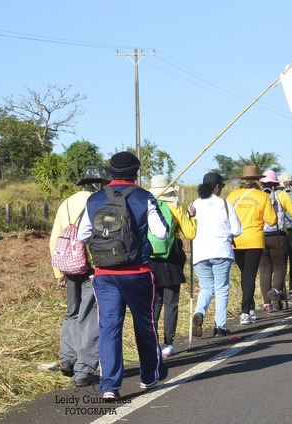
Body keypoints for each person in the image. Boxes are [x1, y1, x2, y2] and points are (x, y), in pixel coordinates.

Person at [77, 151, 169, 400]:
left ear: (111, 172)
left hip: (104, 274)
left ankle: (109, 386)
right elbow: (161, 233)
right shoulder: (144, 196)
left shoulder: (95, 198)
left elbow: (81, 235)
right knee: (145, 323)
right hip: (137, 272)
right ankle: (149, 376)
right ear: (135, 172)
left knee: (108, 328)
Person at [49, 165, 111, 388]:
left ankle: (68, 358)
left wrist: (58, 272)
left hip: (68, 265)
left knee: (72, 313)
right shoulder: (97, 202)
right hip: (90, 266)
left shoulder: (66, 203)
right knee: (89, 315)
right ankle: (84, 369)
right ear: (98, 184)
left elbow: (55, 238)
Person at [148, 174, 197, 358]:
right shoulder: (175, 207)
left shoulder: (145, 206)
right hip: (171, 259)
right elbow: (190, 234)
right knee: (171, 302)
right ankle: (168, 344)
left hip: (149, 259)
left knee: (154, 302)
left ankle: (151, 343)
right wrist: (191, 218)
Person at [189, 172, 242, 337]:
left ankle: (199, 312)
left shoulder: (193, 205)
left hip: (200, 252)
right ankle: (220, 326)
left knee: (206, 287)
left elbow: (188, 227)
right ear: (217, 187)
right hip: (221, 250)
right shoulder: (224, 204)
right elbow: (237, 230)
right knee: (221, 288)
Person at [226, 165, 277, 325]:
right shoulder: (262, 197)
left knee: (245, 275)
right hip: (254, 239)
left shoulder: (231, 196)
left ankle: (251, 307)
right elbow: (272, 220)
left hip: (236, 240)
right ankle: (244, 311)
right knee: (249, 275)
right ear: (257, 181)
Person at [258, 169, 292, 312]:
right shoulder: (282, 195)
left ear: (262, 183)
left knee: (265, 270)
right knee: (280, 267)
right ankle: (276, 290)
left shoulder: (258, 196)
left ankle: (267, 304)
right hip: (278, 235)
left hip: (260, 236)